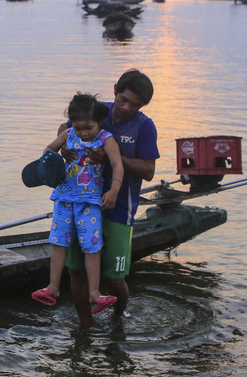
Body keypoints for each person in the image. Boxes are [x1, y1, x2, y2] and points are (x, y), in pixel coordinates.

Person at [61, 70, 159, 332]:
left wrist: (113, 155)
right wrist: (64, 147)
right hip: (79, 205)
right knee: (77, 271)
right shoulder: (96, 112)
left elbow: (149, 170)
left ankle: (118, 315)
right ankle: (85, 323)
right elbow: (65, 127)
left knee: (115, 278)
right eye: (123, 99)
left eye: (135, 105)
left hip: (119, 209)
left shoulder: (144, 126)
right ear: (115, 89)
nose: (127, 108)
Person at [30, 93, 125, 314]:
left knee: (91, 246)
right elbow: (47, 150)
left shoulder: (106, 139)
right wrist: (55, 156)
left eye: (88, 127)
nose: (83, 132)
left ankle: (94, 293)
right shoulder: (68, 134)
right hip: (63, 199)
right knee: (58, 242)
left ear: (99, 122)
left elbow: (118, 166)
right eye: (78, 126)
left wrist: (113, 191)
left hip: (90, 203)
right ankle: (52, 288)